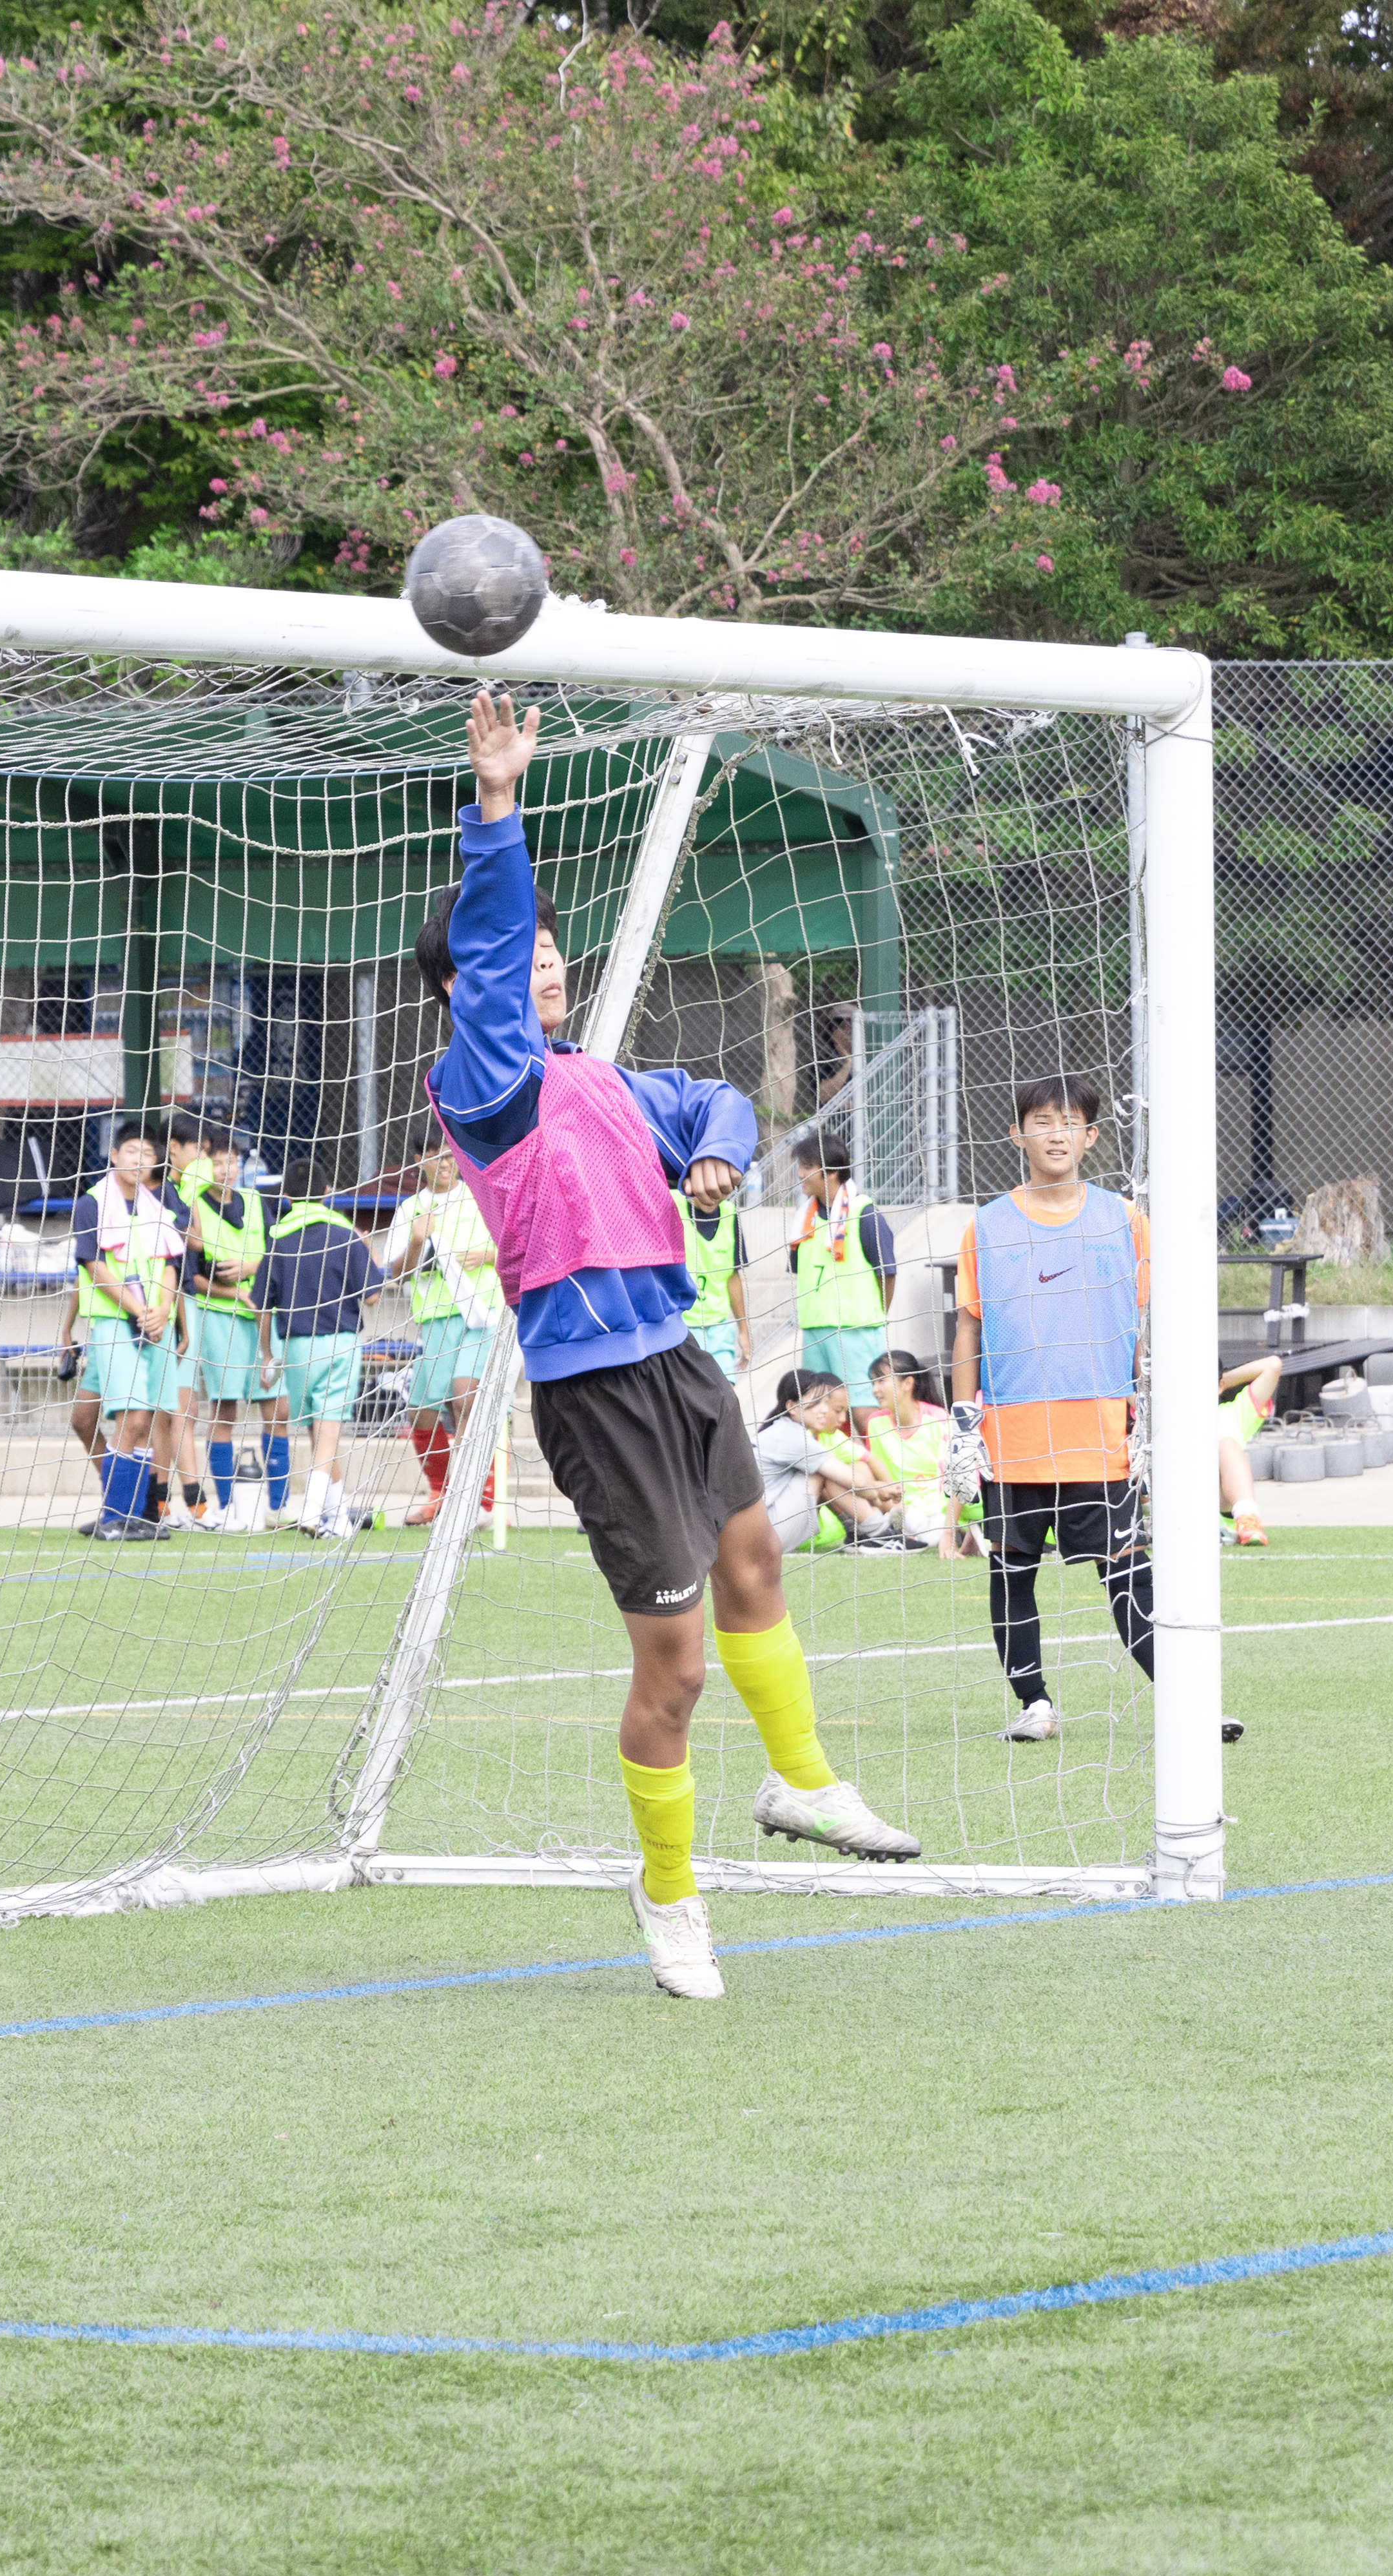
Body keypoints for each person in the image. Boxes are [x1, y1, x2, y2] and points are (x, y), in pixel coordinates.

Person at [422, 687, 917, 1998]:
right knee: (677, 1666)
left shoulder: (597, 1077)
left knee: (760, 1561)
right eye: (513, 955)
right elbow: (484, 950)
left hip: (680, 1359)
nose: (540, 964)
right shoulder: (485, 1084)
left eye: (545, 951)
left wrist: (709, 1149)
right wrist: (497, 807)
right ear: (468, 991)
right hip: (593, 1393)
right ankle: (669, 1894)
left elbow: (708, 1098)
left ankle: (803, 1782)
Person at [947, 1075, 1233, 1747]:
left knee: (1129, 1569)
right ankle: (1034, 1702)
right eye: (1041, 1121)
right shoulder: (986, 1225)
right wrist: (963, 1426)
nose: (1055, 1134)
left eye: (1069, 1122)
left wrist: (1157, 1414)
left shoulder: (1124, 1220)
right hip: (1013, 1435)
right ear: (1017, 1135)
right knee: (1011, 1568)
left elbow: (1150, 1321)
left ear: (1091, 1136)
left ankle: (1186, 1701)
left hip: (1100, 1435)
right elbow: (967, 1329)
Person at [69, 1125, 184, 1542]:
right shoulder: (92, 1204)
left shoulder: (159, 1207)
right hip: (116, 1324)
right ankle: (120, 1511)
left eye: (148, 1154)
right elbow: (93, 1267)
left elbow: (172, 1264)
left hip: (154, 1325)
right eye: (132, 1151)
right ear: (114, 1154)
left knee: (137, 1416)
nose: (140, 1160)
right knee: (104, 1418)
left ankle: (127, 1510)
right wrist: (140, 1311)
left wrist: (165, 1309)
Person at [378, 1144, 500, 1525]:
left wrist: (489, 1256)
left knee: (467, 1395)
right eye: (436, 1156)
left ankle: (480, 1500)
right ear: (420, 1161)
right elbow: (397, 1274)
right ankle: (441, 1492)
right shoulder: (409, 1210)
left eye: (451, 1155)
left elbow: (520, 1242)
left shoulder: (483, 1196)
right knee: (422, 1413)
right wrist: (416, 1241)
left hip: (482, 1315)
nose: (446, 1163)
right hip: (433, 1321)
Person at [252, 1188, 381, 1540]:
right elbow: (371, 1297)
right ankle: (311, 1509)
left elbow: (260, 1305)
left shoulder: (278, 1239)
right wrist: (368, 1251)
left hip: (295, 1347)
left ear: (288, 1197)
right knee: (328, 1432)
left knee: (317, 1432)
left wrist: (267, 1354)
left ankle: (337, 1520)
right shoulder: (344, 1235)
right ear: (326, 1193)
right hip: (339, 1342)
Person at [175, 1126, 285, 1533]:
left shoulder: (257, 1202)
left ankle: (278, 1504)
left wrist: (252, 1269)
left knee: (279, 1410)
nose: (226, 1169)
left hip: (262, 1316)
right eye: (217, 1161)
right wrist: (231, 1291)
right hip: (218, 1316)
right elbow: (192, 1275)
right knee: (224, 1411)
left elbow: (277, 1253)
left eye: (232, 1161)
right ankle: (226, 1507)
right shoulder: (193, 1206)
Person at [788, 1127, 899, 1400]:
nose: (800, 1174)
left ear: (832, 1172)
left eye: (807, 1167)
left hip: (855, 1331)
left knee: (864, 1409)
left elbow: (888, 1274)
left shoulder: (865, 1214)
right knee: (818, 1412)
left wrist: (875, 1314)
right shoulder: (802, 1221)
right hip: (814, 1331)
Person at [753, 1367, 907, 1554]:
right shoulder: (792, 1437)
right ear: (792, 1407)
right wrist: (881, 1492)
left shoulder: (784, 1430)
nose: (824, 1410)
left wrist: (880, 1490)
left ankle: (866, 1533)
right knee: (825, 1472)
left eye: (825, 1402)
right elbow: (856, 1482)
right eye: (815, 1403)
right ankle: (879, 1534)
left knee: (842, 1468)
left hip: (759, 1528)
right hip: (762, 1536)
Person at [866, 1349, 971, 1554]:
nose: (875, 1390)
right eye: (873, 1383)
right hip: (900, 1509)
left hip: (942, 1508)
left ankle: (954, 1531)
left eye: (881, 1381)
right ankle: (902, 1533)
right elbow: (880, 1478)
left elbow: (957, 1475)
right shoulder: (876, 1423)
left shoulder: (938, 1419)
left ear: (908, 1384)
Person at [678, 1155, 748, 1385]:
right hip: (681, 1328)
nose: (714, 1193)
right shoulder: (672, 1204)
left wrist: (743, 1329)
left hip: (718, 1328)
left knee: (726, 1402)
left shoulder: (730, 1214)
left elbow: (733, 1277)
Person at [1217, 1353, 1277, 1547]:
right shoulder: (1166, 1414)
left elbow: (1273, 1365)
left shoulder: (1234, 1412)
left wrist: (1226, 1380)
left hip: (1219, 1502)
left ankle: (1247, 1519)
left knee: (1226, 1445)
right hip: (1180, 1501)